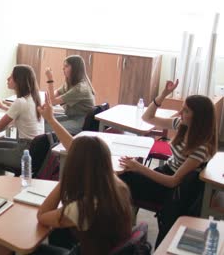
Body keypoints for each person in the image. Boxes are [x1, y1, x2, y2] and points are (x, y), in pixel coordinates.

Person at [119, 79, 218, 247]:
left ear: (198, 117)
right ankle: (124, 226)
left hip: (170, 188)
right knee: (124, 177)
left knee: (124, 180)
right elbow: (147, 117)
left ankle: (121, 230)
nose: (180, 113)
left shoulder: (202, 147)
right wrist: (164, 94)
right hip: (165, 172)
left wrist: (140, 167)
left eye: (186, 110)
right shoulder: (183, 125)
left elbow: (173, 181)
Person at [36, 94, 132, 254]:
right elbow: (80, 151)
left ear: (76, 167)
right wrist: (51, 120)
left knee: (34, 250)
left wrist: (64, 180)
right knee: (61, 233)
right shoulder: (117, 185)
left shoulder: (82, 208)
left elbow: (42, 215)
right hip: (103, 245)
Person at [0, 64, 44, 181]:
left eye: (11, 77)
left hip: (24, 152)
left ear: (19, 81)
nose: (8, 79)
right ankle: (0, 181)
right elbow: (20, 112)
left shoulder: (20, 102)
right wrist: (1, 106)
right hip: (36, 150)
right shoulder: (34, 98)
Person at [45, 55, 95, 135]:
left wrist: (50, 79)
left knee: (46, 127)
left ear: (75, 69)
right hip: (71, 116)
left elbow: (53, 101)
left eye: (66, 66)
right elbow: (55, 95)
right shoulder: (70, 82)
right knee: (43, 122)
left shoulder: (80, 88)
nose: (63, 69)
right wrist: (48, 100)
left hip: (80, 122)